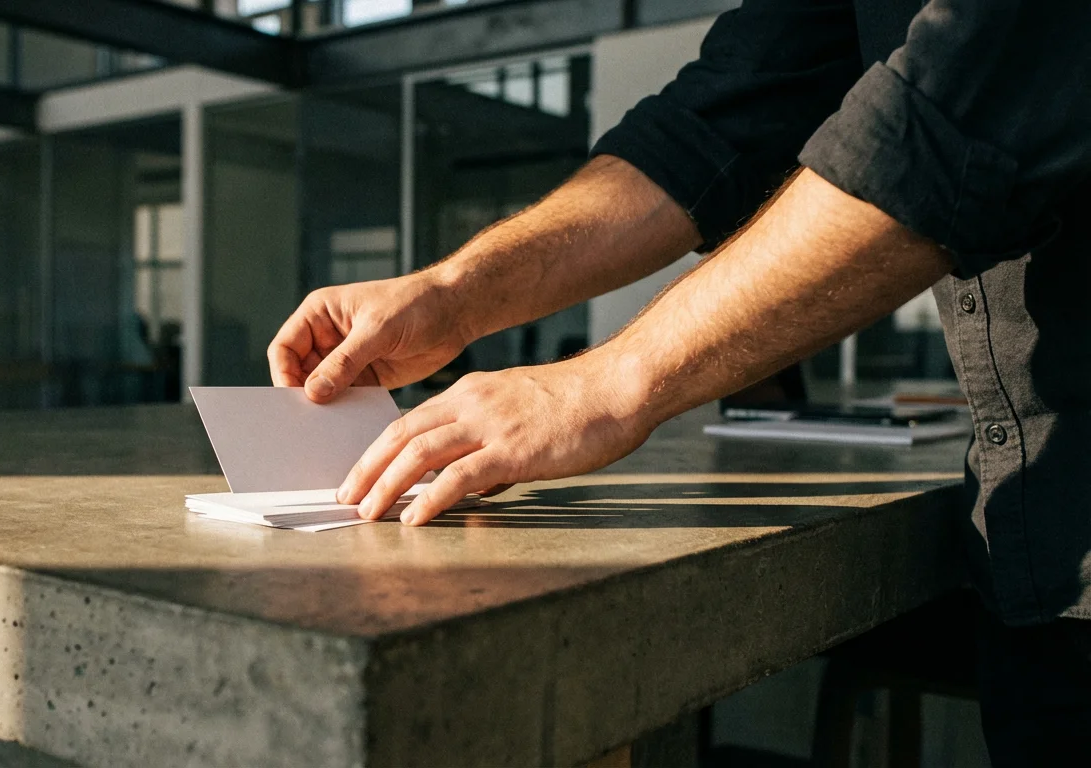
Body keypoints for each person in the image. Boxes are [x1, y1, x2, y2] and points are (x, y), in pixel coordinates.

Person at [268, 1, 1091, 761]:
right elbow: (714, 122)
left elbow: (952, 122)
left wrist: (602, 384)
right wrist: (454, 294)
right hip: (1038, 532)